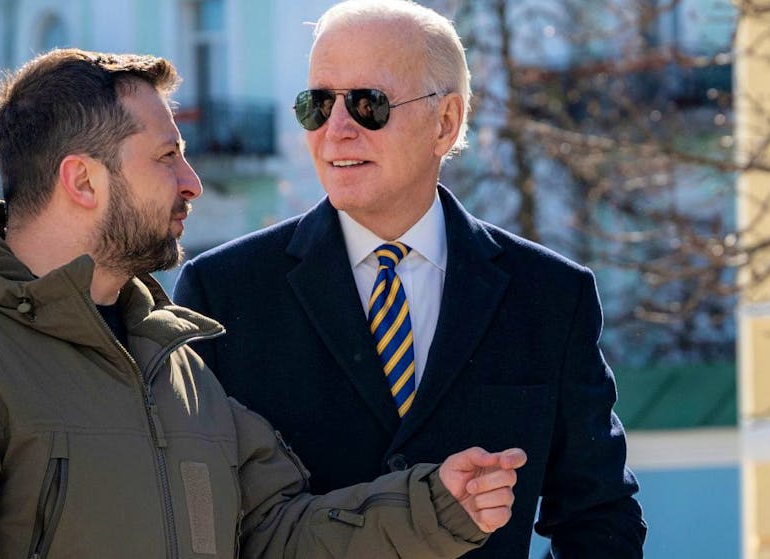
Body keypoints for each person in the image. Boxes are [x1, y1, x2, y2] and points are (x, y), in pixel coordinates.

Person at [0, 48, 528, 558]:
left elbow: (271, 533)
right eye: (166, 157)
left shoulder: (175, 368)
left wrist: (435, 504)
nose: (192, 181)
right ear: (83, 180)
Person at [173, 1, 647, 558]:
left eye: (368, 104)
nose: (337, 130)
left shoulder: (548, 296)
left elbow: (598, 516)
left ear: (445, 122)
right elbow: (203, 522)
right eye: (318, 105)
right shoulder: (224, 293)